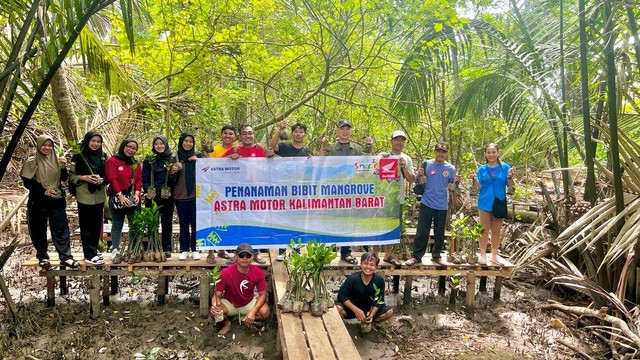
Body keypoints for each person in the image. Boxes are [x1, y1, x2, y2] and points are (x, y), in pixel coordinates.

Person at [21, 135, 79, 269]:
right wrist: (43, 191)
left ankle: (66, 257)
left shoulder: (56, 161)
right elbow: (27, 182)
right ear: (39, 146)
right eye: (44, 145)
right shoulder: (32, 161)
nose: (47, 148)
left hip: (56, 200)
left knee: (60, 228)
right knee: (38, 230)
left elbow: (64, 179)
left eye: (50, 145)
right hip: (38, 201)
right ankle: (42, 257)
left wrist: (63, 167)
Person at [404, 142, 460, 266]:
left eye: (443, 152)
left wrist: (457, 182)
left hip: (442, 204)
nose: (441, 154)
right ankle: (417, 256)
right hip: (426, 202)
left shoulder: (450, 168)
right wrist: (419, 176)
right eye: (438, 151)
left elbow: (453, 187)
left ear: (446, 154)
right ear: (434, 152)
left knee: (439, 232)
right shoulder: (427, 164)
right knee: (422, 231)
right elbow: (418, 181)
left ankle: (437, 256)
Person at [318, 119, 363, 265]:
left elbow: (367, 165)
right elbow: (319, 162)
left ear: (351, 131)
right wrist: (322, 146)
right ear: (337, 131)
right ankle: (328, 251)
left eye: (347, 128)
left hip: (350, 191)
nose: (345, 131)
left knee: (347, 221)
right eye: (342, 128)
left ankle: (346, 252)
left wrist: (370, 151)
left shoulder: (357, 149)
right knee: (331, 220)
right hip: (333, 190)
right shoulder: (330, 148)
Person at [269, 120, 312, 261]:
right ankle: (282, 250)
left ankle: (295, 249)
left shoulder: (307, 152)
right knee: (284, 221)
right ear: (292, 133)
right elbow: (272, 146)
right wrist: (280, 130)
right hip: (284, 191)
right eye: (296, 131)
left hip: (300, 193)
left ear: (304, 134)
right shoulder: (285, 147)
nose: (298, 134)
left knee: (297, 221)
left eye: (301, 132)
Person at [224, 124, 267, 264]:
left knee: (256, 224)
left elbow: (272, 164)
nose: (247, 136)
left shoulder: (260, 150)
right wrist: (230, 158)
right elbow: (216, 164)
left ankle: (256, 252)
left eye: (250, 133)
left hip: (256, 194)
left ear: (254, 135)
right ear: (240, 137)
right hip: (238, 194)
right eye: (244, 133)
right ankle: (236, 254)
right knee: (238, 223)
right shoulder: (235, 149)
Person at [209, 243, 271, 335]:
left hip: (248, 302)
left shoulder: (258, 272)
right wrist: (214, 305)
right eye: (241, 255)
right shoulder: (225, 273)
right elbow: (216, 294)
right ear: (236, 257)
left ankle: (246, 318)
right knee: (214, 312)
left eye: (248, 255)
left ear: (252, 257)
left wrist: (253, 312)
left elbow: (263, 294)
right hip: (229, 303)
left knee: (265, 312)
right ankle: (227, 323)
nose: (245, 258)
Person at [374, 130, 415, 266]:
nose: (399, 142)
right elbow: (372, 171)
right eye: (396, 139)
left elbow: (411, 179)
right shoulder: (383, 155)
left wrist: (403, 167)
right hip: (381, 197)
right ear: (391, 141)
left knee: (393, 226)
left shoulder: (406, 158)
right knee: (378, 225)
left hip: (397, 199)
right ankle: (374, 254)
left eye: (401, 140)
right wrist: (381, 160)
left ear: (404, 143)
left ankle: (387, 255)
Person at [471, 143, 515, 265]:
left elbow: (510, 186)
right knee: (483, 229)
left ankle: (494, 255)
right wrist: (474, 180)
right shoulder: (481, 170)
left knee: (496, 230)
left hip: (499, 203)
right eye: (489, 152)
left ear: (498, 153)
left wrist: (510, 177)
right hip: (484, 202)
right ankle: (483, 254)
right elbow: (479, 187)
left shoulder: (505, 167)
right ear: (485, 154)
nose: (491, 155)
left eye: (493, 152)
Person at [70, 131, 108, 265]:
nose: (96, 144)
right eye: (93, 141)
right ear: (87, 141)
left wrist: (102, 179)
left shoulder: (103, 156)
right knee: (86, 224)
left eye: (98, 141)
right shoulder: (78, 156)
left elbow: (107, 175)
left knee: (96, 224)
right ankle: (88, 254)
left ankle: (93, 250)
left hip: (99, 194)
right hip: (85, 194)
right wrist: (84, 177)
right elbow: (71, 177)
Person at [105, 138, 142, 264]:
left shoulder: (135, 164)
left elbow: (138, 180)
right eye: (129, 146)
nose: (131, 150)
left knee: (134, 225)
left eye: (134, 148)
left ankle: (133, 250)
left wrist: (137, 194)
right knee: (117, 225)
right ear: (123, 146)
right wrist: (120, 195)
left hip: (133, 199)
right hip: (118, 198)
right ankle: (115, 249)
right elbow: (112, 179)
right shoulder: (112, 161)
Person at [206, 125, 237, 263]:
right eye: (225, 133)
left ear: (235, 137)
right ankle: (210, 252)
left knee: (228, 221)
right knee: (214, 219)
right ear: (221, 135)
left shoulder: (237, 149)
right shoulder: (215, 150)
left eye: (231, 133)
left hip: (233, 190)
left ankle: (222, 249)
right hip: (216, 188)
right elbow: (208, 165)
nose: (228, 136)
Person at [336, 253, 393, 323]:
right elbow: (342, 296)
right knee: (338, 309)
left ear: (376, 267)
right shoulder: (353, 278)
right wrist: (356, 310)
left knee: (389, 312)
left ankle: (369, 322)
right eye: (365, 264)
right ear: (361, 264)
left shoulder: (379, 280)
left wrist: (372, 313)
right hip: (352, 308)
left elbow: (380, 300)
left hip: (369, 309)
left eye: (372, 265)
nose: (368, 267)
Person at [142, 136, 175, 258]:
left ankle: (166, 248)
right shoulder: (149, 160)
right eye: (156, 144)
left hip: (167, 196)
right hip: (152, 196)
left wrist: (169, 186)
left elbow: (174, 179)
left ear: (166, 145)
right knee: (152, 222)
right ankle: (152, 246)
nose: (159, 146)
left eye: (162, 143)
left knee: (167, 222)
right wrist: (148, 190)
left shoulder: (171, 159)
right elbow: (144, 178)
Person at [173, 132, 204, 260]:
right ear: (181, 142)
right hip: (180, 196)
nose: (188, 143)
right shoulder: (175, 158)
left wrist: (200, 162)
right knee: (183, 224)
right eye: (186, 141)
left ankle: (195, 248)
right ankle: (184, 249)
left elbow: (209, 170)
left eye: (191, 141)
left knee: (196, 224)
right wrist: (172, 171)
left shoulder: (198, 156)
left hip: (197, 196)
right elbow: (169, 179)